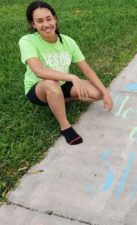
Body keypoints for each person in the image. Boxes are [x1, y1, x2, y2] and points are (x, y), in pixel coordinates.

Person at [19, 1, 113, 145]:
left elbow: (87, 70)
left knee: (97, 93)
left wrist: (105, 93)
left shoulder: (68, 41)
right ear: (33, 24)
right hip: (39, 89)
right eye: (40, 21)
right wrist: (71, 77)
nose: (46, 24)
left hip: (62, 85)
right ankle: (65, 126)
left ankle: (60, 100)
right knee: (51, 83)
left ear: (55, 19)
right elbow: (39, 72)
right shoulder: (27, 41)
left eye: (49, 19)